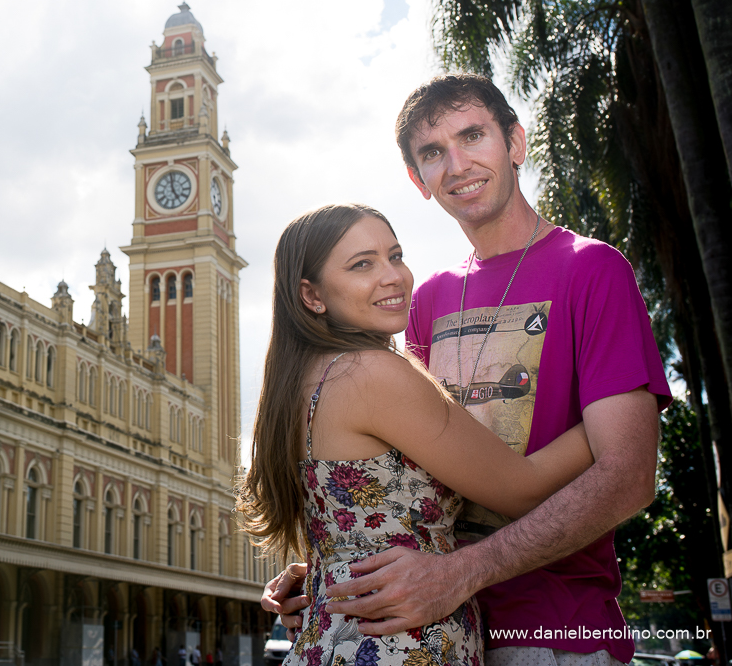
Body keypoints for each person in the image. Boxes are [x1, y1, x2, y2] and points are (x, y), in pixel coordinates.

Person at [261, 75, 671, 665]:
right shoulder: (424, 300)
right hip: (437, 626)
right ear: (418, 180)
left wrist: (461, 572)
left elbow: (629, 476)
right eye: (433, 152)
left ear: (515, 142)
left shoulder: (593, 270)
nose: (457, 164)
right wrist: (348, 557)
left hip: (551, 631)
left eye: (473, 135)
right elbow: (414, 471)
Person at [239, 203, 596, 666]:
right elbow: (521, 490)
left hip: (336, 641)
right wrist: (612, 418)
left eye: (396, 255)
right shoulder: (372, 374)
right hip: (403, 646)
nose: (394, 276)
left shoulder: (301, 380)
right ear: (312, 295)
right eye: (362, 264)